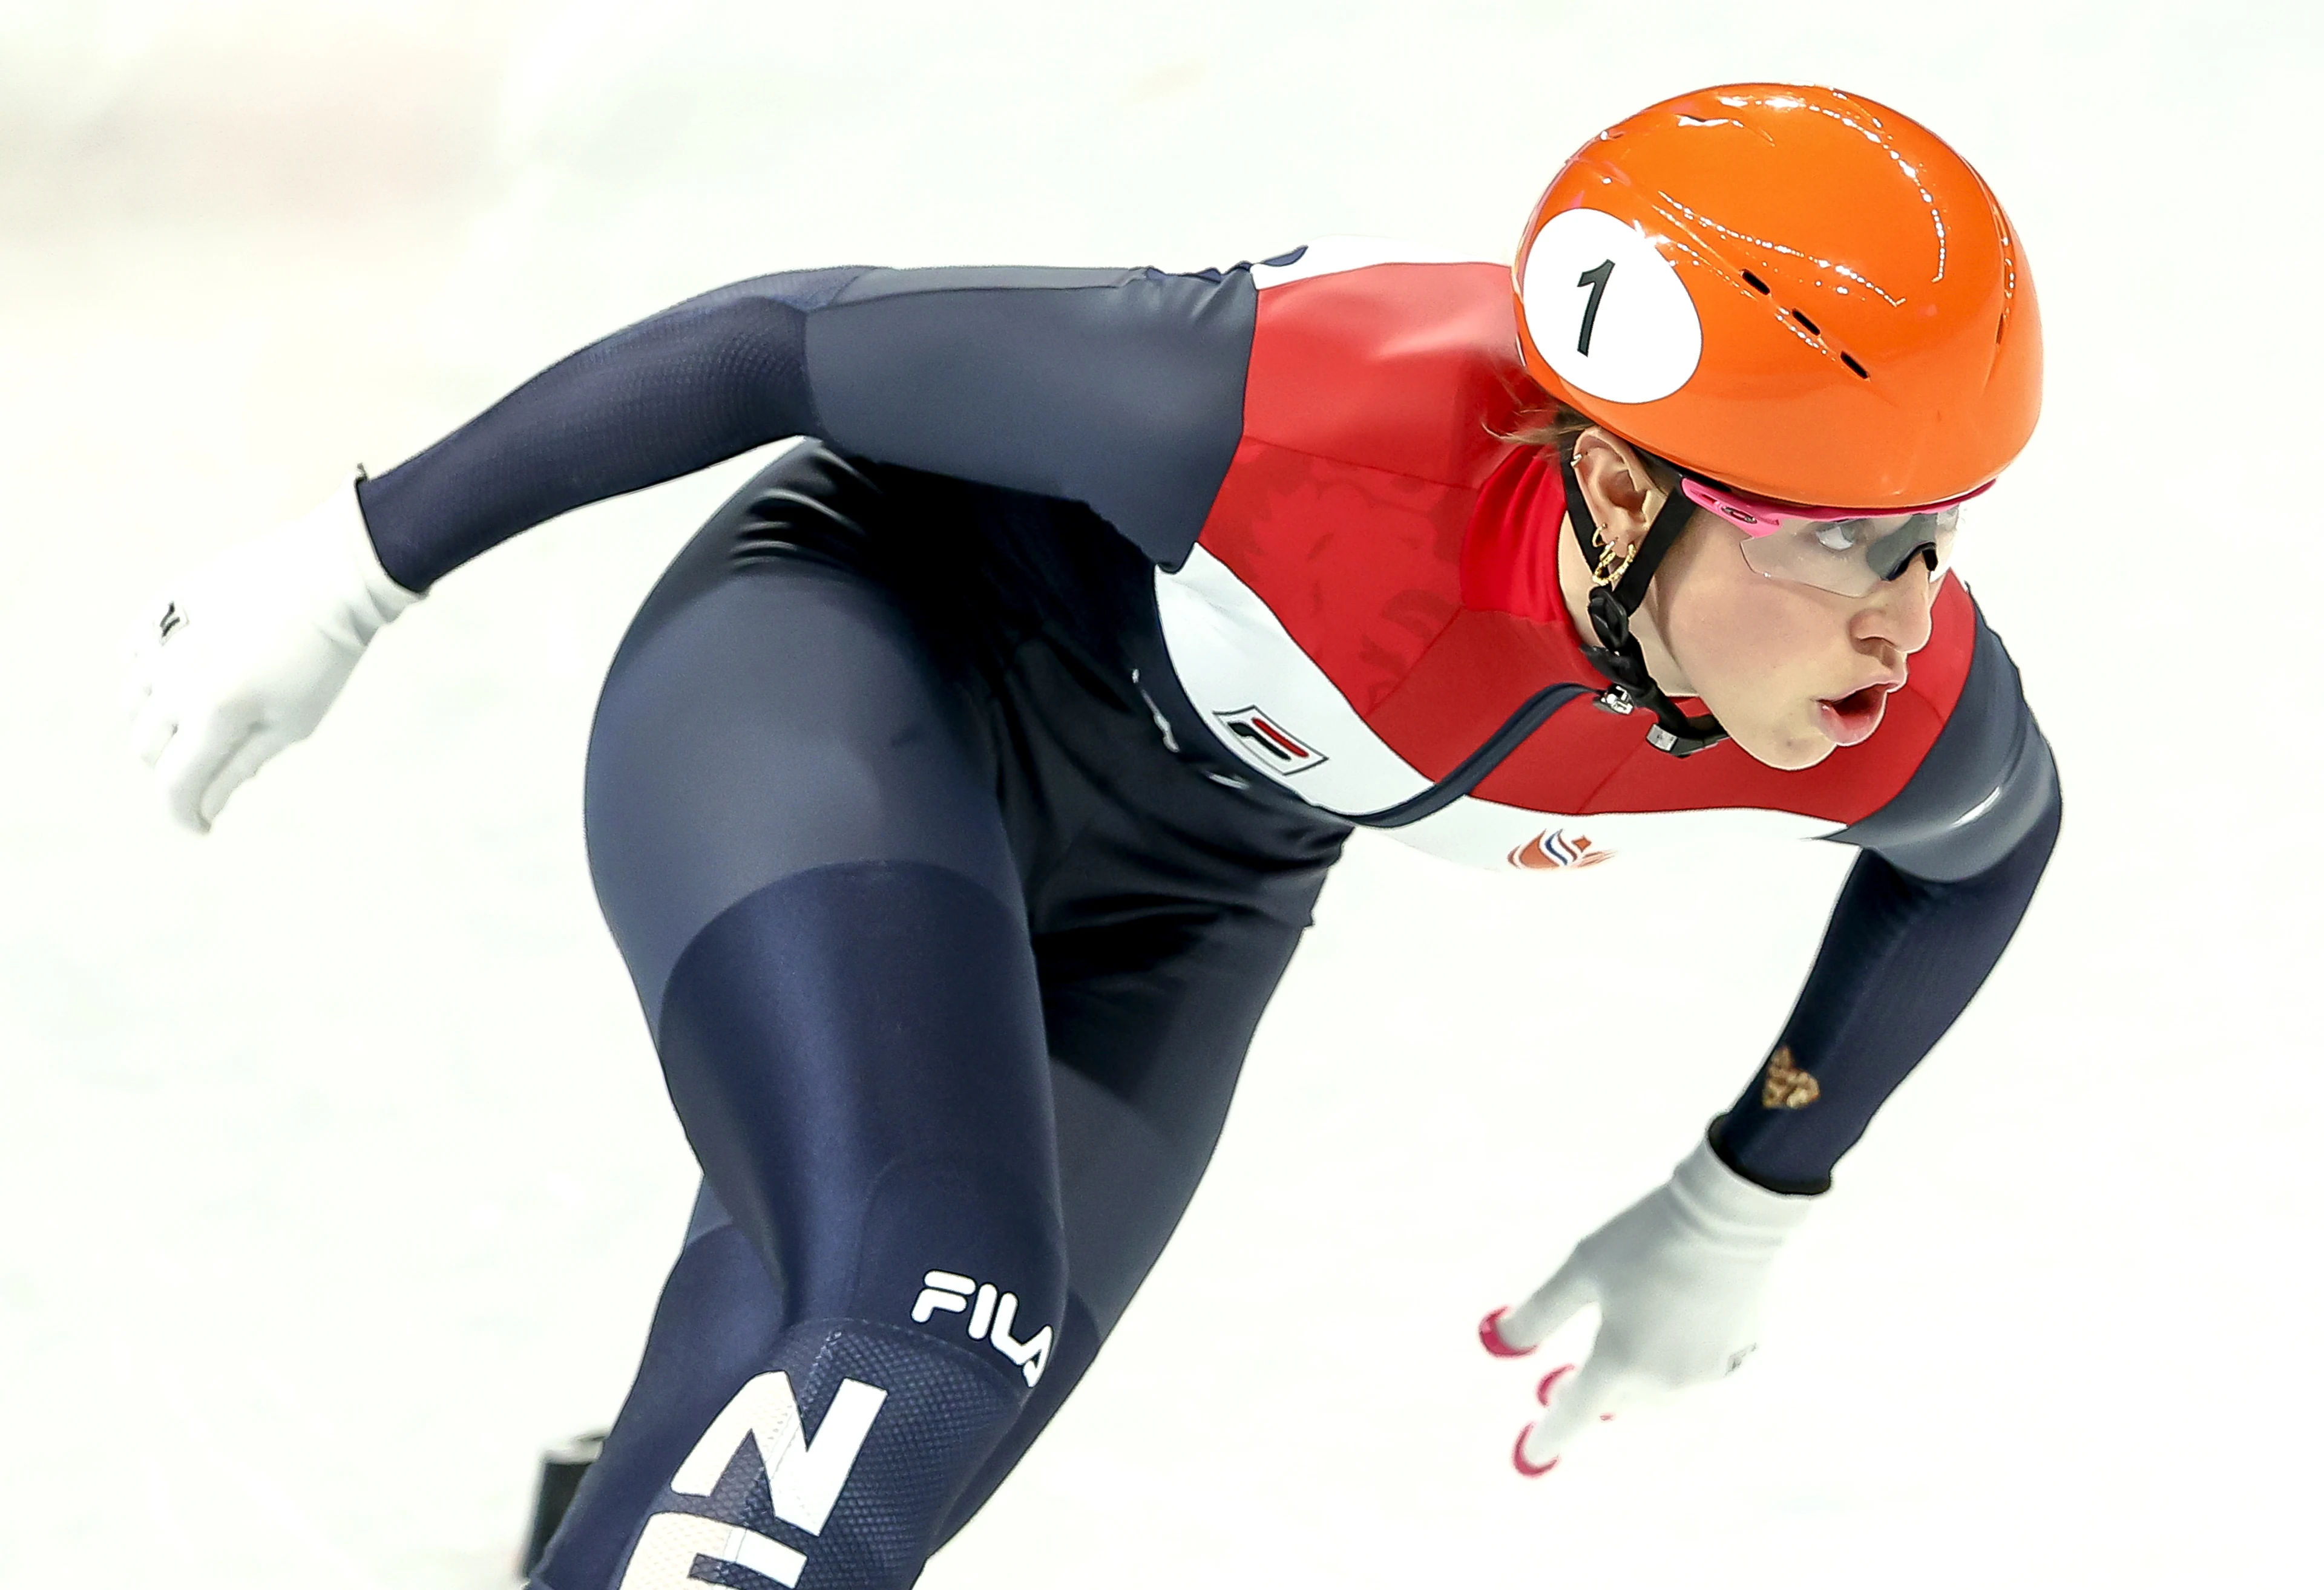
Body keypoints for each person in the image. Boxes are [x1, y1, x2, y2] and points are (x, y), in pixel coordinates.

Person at [124, 82, 2056, 1589]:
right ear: (1620, 484)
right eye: (1836, 538)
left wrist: (1748, 1193)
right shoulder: (1302, 409)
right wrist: (361, 565)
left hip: (1193, 889)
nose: (1905, 609)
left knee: (885, 1395)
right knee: (930, 1307)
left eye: (1942, 526)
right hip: (865, 664)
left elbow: (1992, 853)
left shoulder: (1888, 699)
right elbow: (781, 339)